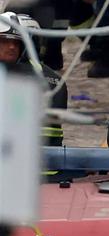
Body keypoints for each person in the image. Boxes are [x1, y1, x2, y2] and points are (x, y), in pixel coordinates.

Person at [0, 13, 67, 148]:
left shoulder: (20, 79)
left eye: (16, 42)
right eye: (6, 41)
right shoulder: (54, 78)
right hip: (52, 164)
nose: (12, 47)